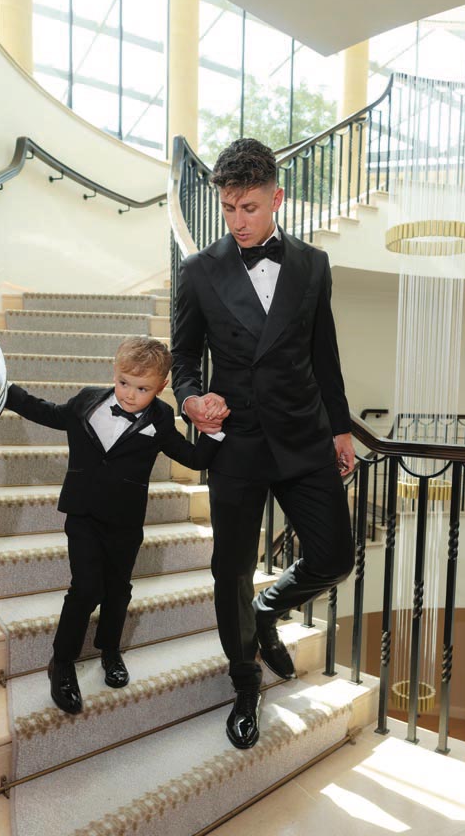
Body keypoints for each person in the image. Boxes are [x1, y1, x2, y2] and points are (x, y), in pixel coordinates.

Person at [171, 137, 355, 750]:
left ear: (276, 197)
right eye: (228, 208)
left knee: (335, 556)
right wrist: (192, 399)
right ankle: (245, 681)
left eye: (249, 207)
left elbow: (323, 352)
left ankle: (270, 610)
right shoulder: (199, 271)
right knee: (230, 569)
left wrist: (340, 426)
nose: (238, 221)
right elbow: (183, 361)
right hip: (238, 442)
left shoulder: (313, 264)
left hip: (304, 434)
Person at [5, 336, 225, 715]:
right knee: (86, 586)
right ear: (114, 372)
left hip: (125, 520)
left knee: (118, 589)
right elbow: (49, 413)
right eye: (124, 382)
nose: (129, 394)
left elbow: (191, 457)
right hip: (83, 513)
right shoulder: (88, 399)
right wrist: (7, 393)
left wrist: (215, 431)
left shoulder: (159, 417)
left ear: (159, 389)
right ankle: (61, 662)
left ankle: (110, 650)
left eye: (142, 389)